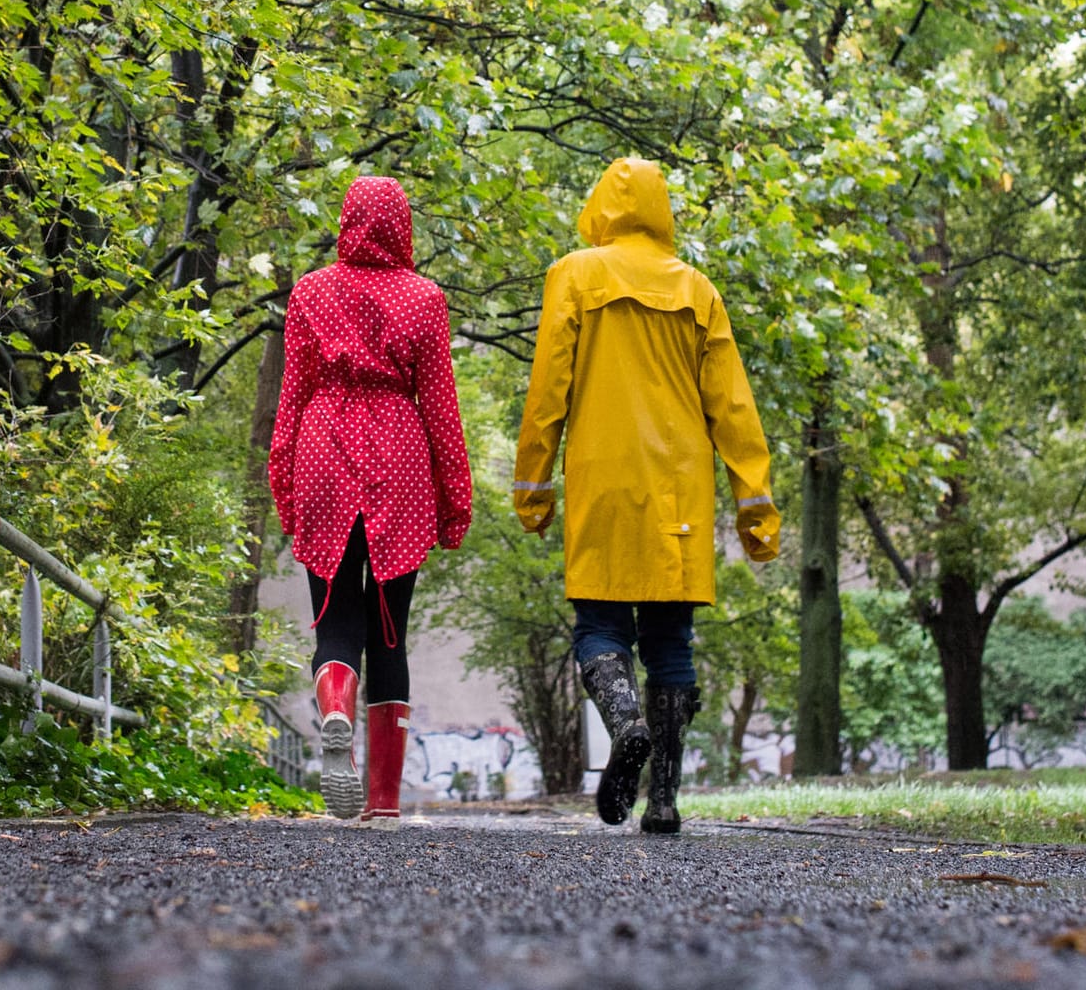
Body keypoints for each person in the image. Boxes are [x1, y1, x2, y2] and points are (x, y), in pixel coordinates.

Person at [513, 157, 780, 834]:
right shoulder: (698, 290)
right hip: (678, 488)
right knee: (671, 637)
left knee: (601, 626)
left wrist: (533, 488)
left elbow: (548, 389)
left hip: (604, 476)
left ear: (603, 203)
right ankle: (662, 799)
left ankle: (625, 721)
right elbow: (734, 409)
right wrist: (755, 506)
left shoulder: (574, 274)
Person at [269, 176, 472, 822]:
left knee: (336, 620)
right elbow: (440, 407)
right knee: (391, 634)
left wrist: (285, 483)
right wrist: (454, 499)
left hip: (322, 452)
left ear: (345, 222)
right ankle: (383, 801)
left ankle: (335, 710)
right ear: (401, 226)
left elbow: (291, 399)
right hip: (402, 464)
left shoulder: (308, 292)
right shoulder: (425, 299)